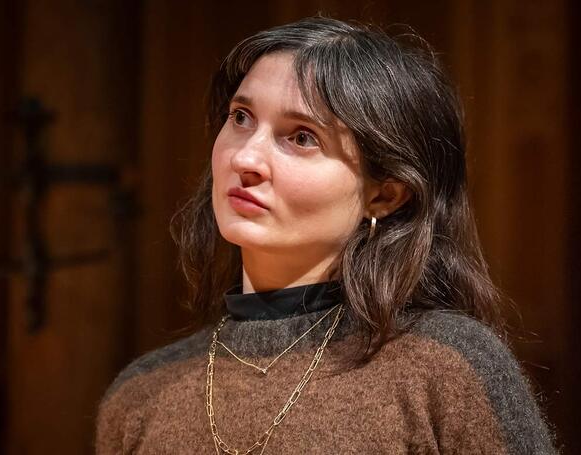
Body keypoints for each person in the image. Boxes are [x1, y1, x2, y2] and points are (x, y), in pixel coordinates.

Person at [95, 16, 557, 454]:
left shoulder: (445, 369)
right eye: (241, 118)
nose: (246, 158)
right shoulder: (141, 394)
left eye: (301, 137)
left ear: (386, 196)